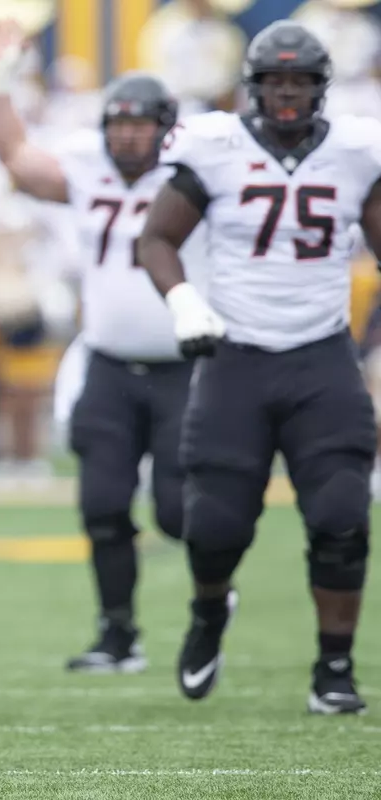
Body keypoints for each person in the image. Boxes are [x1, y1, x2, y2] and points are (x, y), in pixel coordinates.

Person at [138, 21, 380, 714]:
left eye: (299, 82)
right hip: (234, 357)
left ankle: (334, 668)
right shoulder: (215, 147)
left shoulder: (358, 151)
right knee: (213, 526)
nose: (286, 94)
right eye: (275, 82)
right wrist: (184, 300)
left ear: (320, 89)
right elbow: (157, 236)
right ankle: (210, 612)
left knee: (340, 516)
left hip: (321, 356)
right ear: (253, 86)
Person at [0, 22, 203, 672]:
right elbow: (18, 158)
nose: (128, 135)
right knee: (103, 505)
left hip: (183, 368)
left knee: (176, 511)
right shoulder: (86, 166)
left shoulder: (197, 171)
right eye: (119, 123)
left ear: (166, 127)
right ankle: (118, 634)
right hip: (108, 361)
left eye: (142, 124)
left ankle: (214, 594)